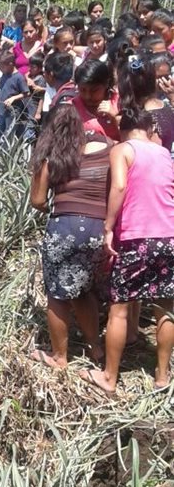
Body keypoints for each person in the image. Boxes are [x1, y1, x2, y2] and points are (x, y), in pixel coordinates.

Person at [82, 104, 174, 393]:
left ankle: (109, 377)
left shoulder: (122, 149)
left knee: (119, 309)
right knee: (165, 308)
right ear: (150, 129)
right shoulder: (164, 153)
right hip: (168, 236)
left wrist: (108, 227)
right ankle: (162, 376)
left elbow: (119, 187)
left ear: (123, 130)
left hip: (136, 238)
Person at [29, 100, 110, 368]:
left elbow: (38, 200)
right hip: (98, 229)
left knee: (57, 295)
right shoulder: (107, 149)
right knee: (83, 291)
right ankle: (96, 349)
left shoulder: (53, 158)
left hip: (65, 228)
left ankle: (59, 357)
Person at [74, 58, 120, 141]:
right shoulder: (71, 109)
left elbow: (134, 140)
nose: (88, 96)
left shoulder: (119, 103)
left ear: (106, 84)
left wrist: (115, 117)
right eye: (82, 90)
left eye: (94, 90)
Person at [0, 47, 28, 142]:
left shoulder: (19, 77)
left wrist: (13, 98)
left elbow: (26, 93)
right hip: (0, 109)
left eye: (2, 67)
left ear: (10, 64)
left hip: (11, 111)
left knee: (8, 133)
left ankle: (4, 150)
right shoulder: (4, 75)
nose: (0, 69)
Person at [151, 52, 174, 153]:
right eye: (158, 77)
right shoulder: (145, 97)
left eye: (166, 76)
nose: (163, 81)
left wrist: (172, 98)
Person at [23, 52, 46, 139]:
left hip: (34, 108)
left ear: (40, 68)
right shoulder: (29, 76)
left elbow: (41, 97)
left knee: (29, 131)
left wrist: (38, 113)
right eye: (29, 66)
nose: (30, 68)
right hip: (26, 107)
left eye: (33, 67)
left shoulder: (40, 79)